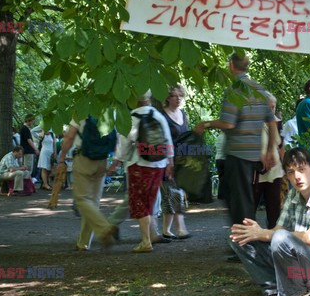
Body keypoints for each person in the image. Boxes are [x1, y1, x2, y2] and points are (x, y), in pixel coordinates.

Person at [230, 147, 310, 296]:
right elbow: (276, 231)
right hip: (298, 266)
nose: (297, 176)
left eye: (301, 170)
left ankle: (296, 295)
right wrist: (256, 233)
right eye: (291, 172)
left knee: (279, 237)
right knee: (239, 238)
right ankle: (273, 291)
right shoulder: (293, 195)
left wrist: (264, 233)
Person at [195, 53, 278, 227]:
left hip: (238, 154)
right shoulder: (259, 89)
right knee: (246, 199)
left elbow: (228, 124)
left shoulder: (235, 90)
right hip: (255, 155)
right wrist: (270, 150)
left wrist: (206, 124)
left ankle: (245, 246)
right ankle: (247, 243)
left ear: (231, 65)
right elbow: (271, 122)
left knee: (239, 203)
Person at [117, 90, 174, 253]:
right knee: (150, 200)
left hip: (138, 163)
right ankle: (152, 235)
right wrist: (170, 162)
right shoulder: (159, 116)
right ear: (149, 98)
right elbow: (168, 140)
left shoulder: (132, 117)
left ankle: (146, 241)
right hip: (158, 164)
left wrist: (117, 162)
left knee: (139, 201)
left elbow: (124, 144)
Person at [58, 116, 118, 251]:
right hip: (102, 160)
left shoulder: (81, 112)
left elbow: (69, 137)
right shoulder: (107, 112)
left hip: (83, 158)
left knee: (82, 199)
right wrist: (115, 163)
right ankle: (83, 243)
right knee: (93, 203)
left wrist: (61, 158)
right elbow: (116, 138)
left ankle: (105, 229)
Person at [160, 84, 191, 240]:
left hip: (183, 161)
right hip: (167, 161)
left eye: (180, 95)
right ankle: (181, 228)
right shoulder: (162, 116)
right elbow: (162, 141)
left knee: (172, 194)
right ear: (167, 97)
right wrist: (168, 162)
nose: (178, 98)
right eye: (174, 95)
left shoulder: (183, 114)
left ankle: (166, 230)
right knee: (173, 193)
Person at [254, 93, 284, 229]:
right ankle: (246, 239)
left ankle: (274, 237)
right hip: (255, 173)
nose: (271, 110)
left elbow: (280, 145)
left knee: (274, 208)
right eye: (268, 107)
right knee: (250, 207)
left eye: (273, 107)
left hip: (275, 172)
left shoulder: (276, 122)